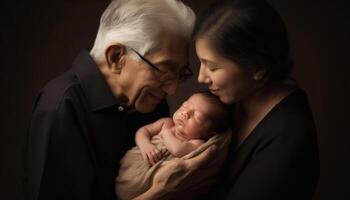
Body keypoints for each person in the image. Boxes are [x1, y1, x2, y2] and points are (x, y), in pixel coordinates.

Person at [24, 1, 210, 200]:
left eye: (180, 73)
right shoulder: (59, 107)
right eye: (164, 70)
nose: (172, 90)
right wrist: (160, 193)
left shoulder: (149, 100)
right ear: (116, 58)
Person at [193, 0, 320, 199]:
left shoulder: (287, 141)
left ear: (258, 68)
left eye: (213, 67)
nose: (201, 78)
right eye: (201, 62)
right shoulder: (232, 101)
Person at [115, 92, 231, 200]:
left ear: (209, 134)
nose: (185, 113)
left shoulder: (197, 143)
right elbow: (143, 131)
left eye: (197, 117)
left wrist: (166, 133)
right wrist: (145, 144)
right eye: (184, 106)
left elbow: (177, 150)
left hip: (145, 188)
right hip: (129, 171)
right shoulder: (167, 122)